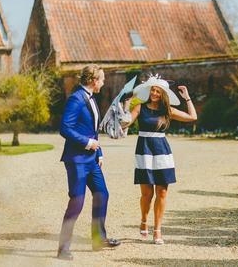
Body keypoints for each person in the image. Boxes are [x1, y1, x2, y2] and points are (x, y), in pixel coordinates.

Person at [123, 75, 197, 245]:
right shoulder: (140, 108)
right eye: (153, 90)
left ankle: (157, 231)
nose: (155, 93)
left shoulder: (167, 110)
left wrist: (187, 97)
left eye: (158, 91)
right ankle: (143, 219)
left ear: (163, 93)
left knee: (162, 192)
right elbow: (125, 123)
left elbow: (192, 117)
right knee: (147, 194)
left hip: (162, 151)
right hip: (144, 151)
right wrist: (127, 105)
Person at [57, 64, 120, 260]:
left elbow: (91, 130)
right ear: (93, 81)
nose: (104, 82)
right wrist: (87, 143)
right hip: (76, 160)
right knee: (77, 201)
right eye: (101, 79)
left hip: (92, 160)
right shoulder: (76, 99)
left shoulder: (91, 98)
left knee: (102, 193)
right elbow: (65, 128)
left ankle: (98, 238)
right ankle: (63, 248)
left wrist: (98, 151)